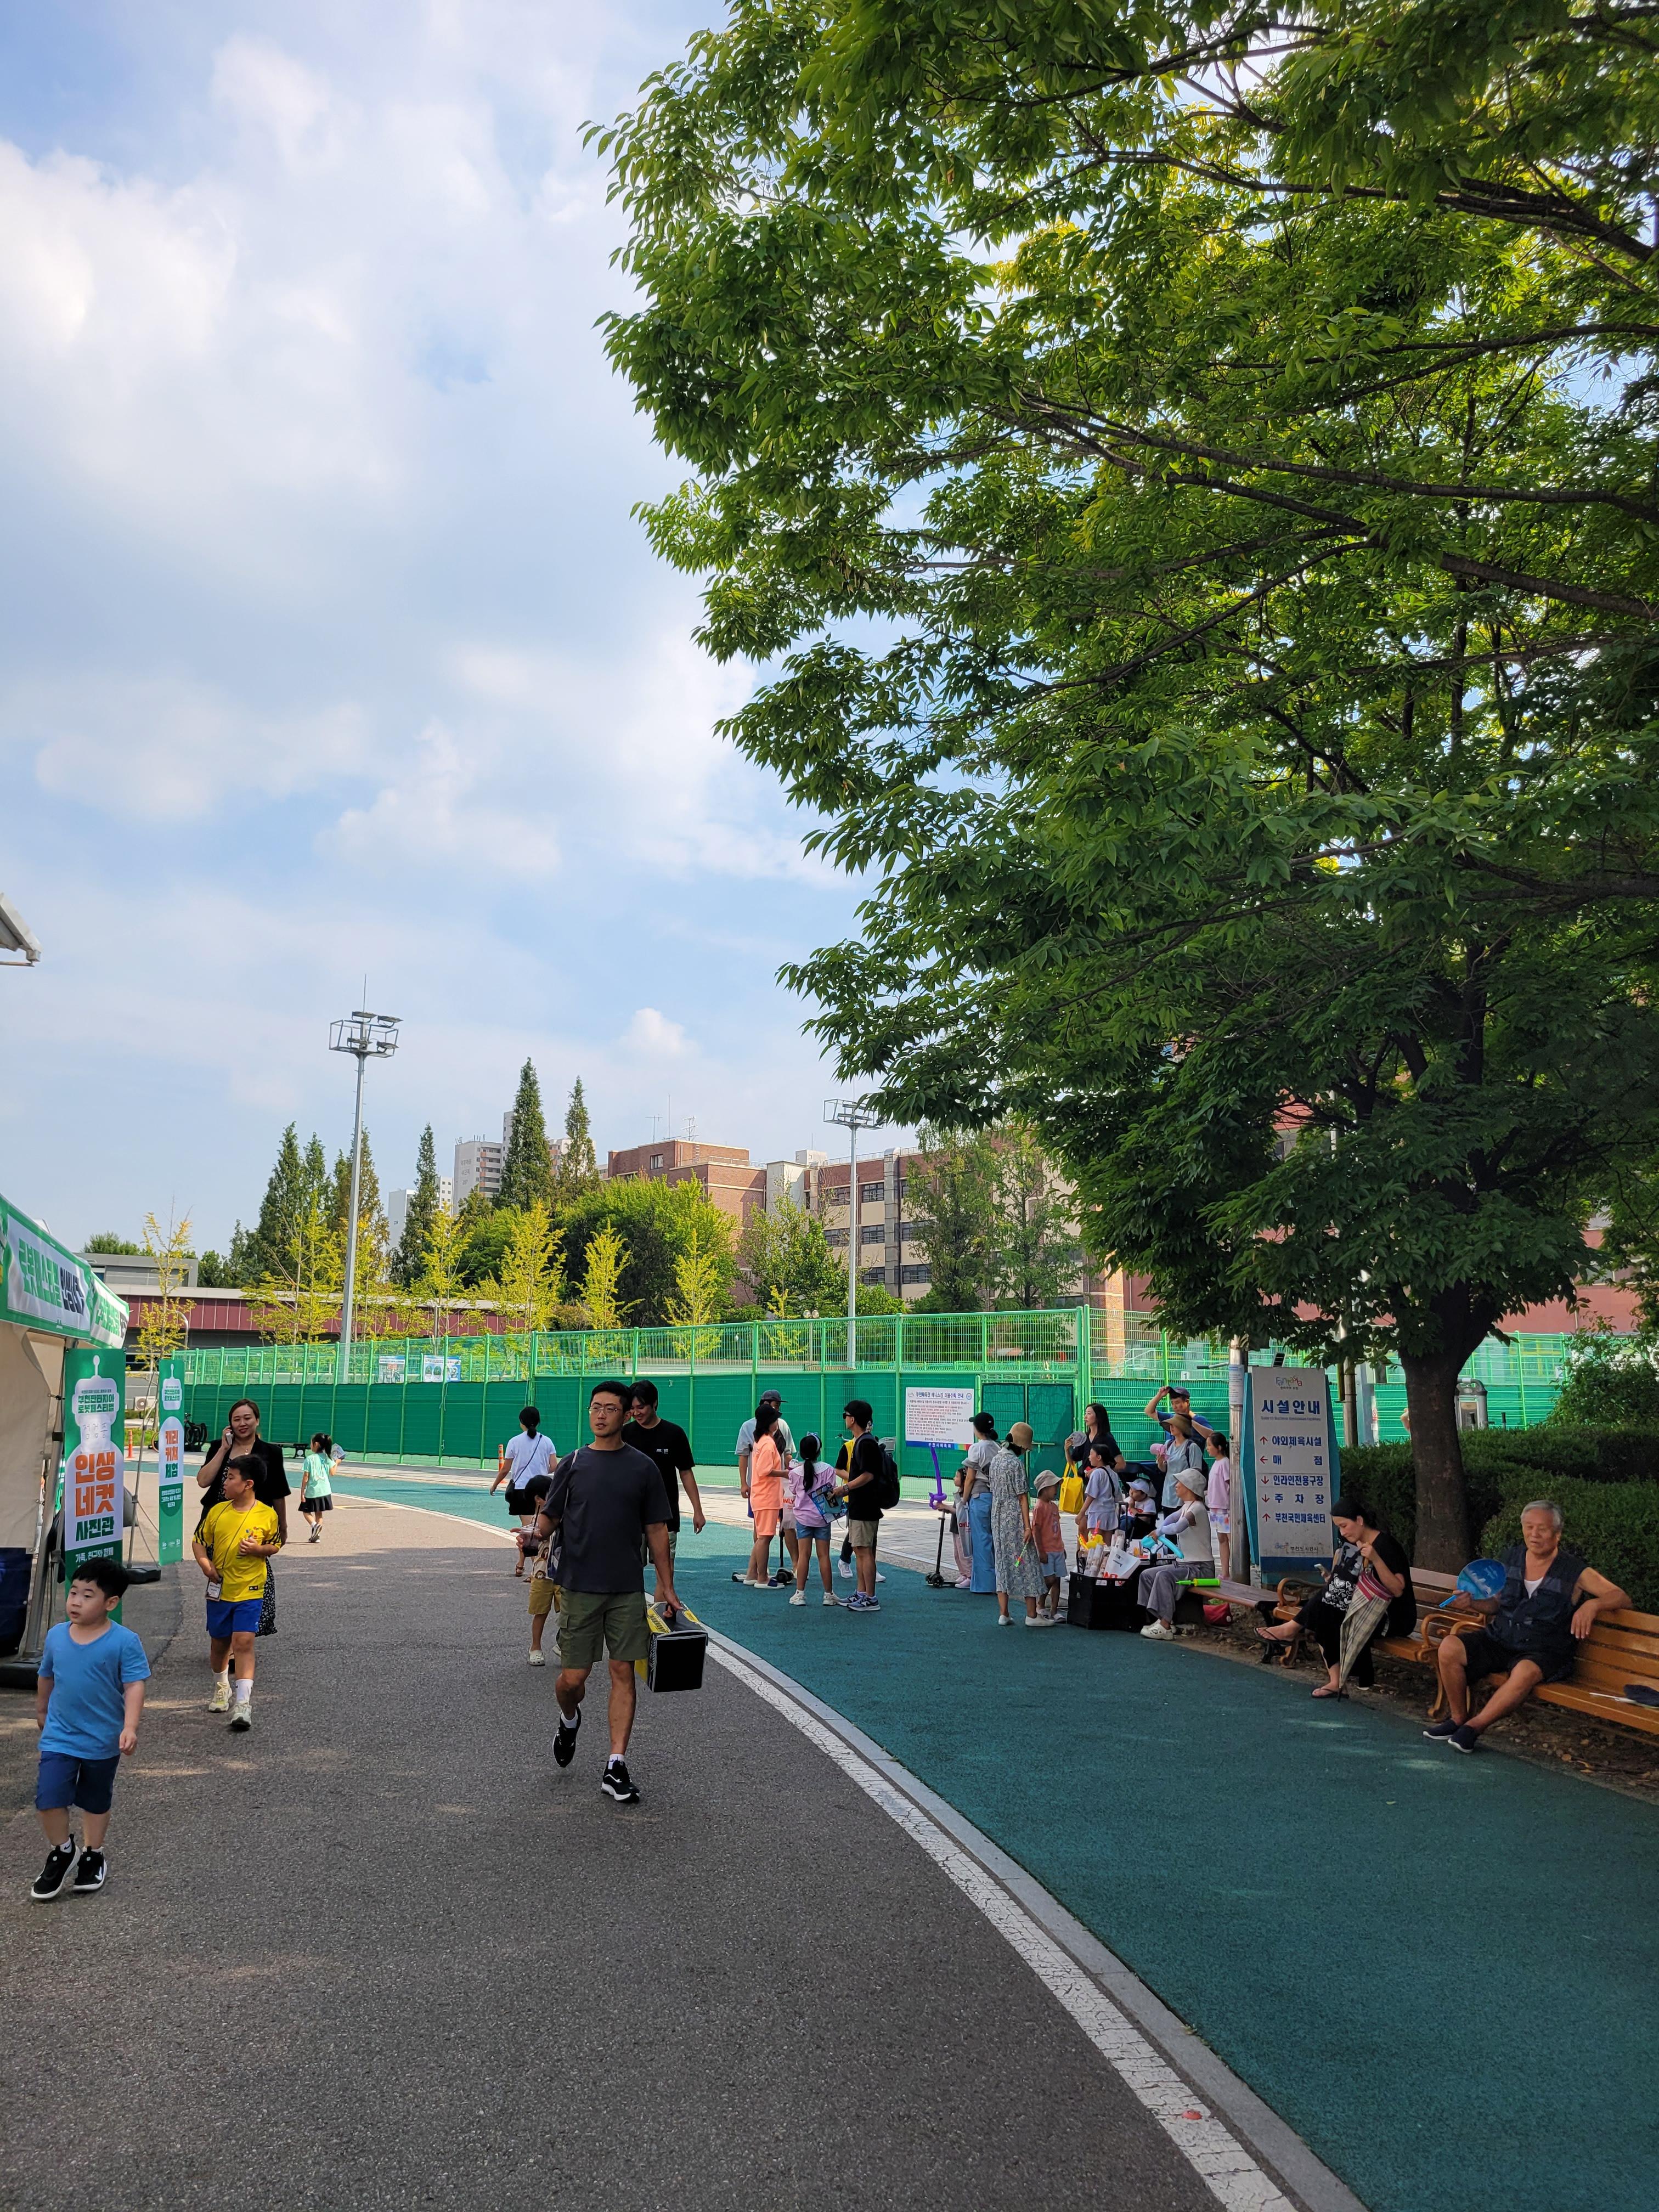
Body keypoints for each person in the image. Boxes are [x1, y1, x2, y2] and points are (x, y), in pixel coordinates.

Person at [533, 1380, 680, 1804]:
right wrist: (534, 1534)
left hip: (626, 1589)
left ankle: (616, 1765)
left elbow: (657, 1529)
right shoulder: (574, 1464)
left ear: (627, 1414)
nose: (600, 1415)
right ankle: (569, 1718)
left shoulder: (642, 1468)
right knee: (573, 1679)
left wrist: (667, 1587)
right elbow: (550, 1518)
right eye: (595, 1407)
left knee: (622, 1671)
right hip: (579, 1587)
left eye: (610, 1408)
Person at [1426, 1500, 1630, 1753]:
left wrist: (1593, 1605)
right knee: (1449, 1647)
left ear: (1557, 1534)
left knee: (1524, 1672)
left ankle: (1473, 1728)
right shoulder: (1510, 1559)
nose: (1534, 1535)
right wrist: (1473, 1603)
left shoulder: (1575, 1571)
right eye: (1529, 1527)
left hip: (1543, 1651)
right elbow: (1496, 1605)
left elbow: (1621, 1597)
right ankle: (1458, 1718)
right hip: (1501, 1639)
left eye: (1542, 1529)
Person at [30, 1556, 149, 1901]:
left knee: (95, 1800)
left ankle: (93, 1854)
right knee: (48, 1796)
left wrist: (130, 1726)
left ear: (111, 1603)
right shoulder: (56, 1635)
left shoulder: (124, 1641)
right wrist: (41, 1710)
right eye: (74, 1593)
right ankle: (63, 1851)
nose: (76, 1602)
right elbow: (46, 1675)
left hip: (102, 1738)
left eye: (87, 1595)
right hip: (60, 1735)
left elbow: (134, 1685)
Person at [1255, 1497, 1413, 1694]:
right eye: (1339, 1527)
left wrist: (1376, 1559)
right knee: (1326, 1608)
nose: (1343, 1532)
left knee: (1326, 1608)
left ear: (1360, 1520)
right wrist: (1334, 1579)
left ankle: (1292, 1631)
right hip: (1364, 1606)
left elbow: (1398, 1589)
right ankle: (1336, 1682)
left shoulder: (1386, 1546)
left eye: (1344, 1526)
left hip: (1393, 1617)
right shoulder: (1355, 1545)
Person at [192, 1455, 282, 1730]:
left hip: (251, 1589)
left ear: (248, 1484)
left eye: (230, 1478)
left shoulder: (267, 1515)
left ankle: (243, 1704)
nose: (225, 1482)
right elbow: (198, 1541)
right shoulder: (217, 1511)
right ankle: (222, 1687)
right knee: (220, 1644)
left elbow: (275, 1545)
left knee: (243, 1642)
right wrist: (206, 1565)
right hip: (220, 1591)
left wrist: (258, 1550)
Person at [196, 1398, 289, 1630]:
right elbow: (203, 1481)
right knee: (220, 1575)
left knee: (251, 1572)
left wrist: (283, 1526)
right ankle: (224, 1635)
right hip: (220, 1524)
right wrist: (223, 1449)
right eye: (236, 1419)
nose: (242, 1423)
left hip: (254, 1524)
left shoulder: (271, 1452)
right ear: (230, 1425)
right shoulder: (218, 1447)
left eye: (248, 1418)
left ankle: (243, 1634)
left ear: (257, 1420)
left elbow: (278, 1492)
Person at [623, 1381, 706, 1606]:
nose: (637, 1413)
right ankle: (634, 1618)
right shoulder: (624, 1434)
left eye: (641, 1407)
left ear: (655, 1404)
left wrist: (698, 1511)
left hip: (665, 1516)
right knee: (629, 1573)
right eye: (633, 1408)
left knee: (666, 1573)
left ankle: (659, 1618)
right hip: (631, 1517)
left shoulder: (674, 1434)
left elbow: (686, 1472)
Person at [1138, 1470, 1214, 1640]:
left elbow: (1178, 1527)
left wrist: (1159, 1532)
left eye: (1180, 1483)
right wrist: (1158, 1530)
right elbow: (1170, 1520)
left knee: (1164, 1577)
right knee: (1147, 1575)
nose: (1176, 1486)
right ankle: (1159, 1618)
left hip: (1200, 1568)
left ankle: (1165, 1625)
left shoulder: (1197, 1508)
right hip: (1185, 1565)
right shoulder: (1187, 1507)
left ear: (1189, 1487)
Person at [989, 1420, 1050, 1628]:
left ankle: (1004, 1613)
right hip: (1014, 1517)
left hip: (997, 1516)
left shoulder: (996, 1460)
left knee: (1002, 1562)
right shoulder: (1016, 1464)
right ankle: (1032, 1614)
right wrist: (1027, 1526)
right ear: (1022, 1446)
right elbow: (1023, 1497)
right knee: (1026, 1561)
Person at [834, 1399, 886, 1613]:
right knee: (859, 1549)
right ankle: (861, 1592)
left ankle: (871, 1598)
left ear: (853, 1419)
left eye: (846, 1415)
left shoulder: (865, 1443)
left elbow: (868, 1475)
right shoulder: (860, 1442)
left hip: (865, 1506)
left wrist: (845, 1488)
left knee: (865, 1552)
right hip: (859, 1505)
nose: (845, 1419)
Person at [492, 1406, 557, 1575]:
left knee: (529, 1532)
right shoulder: (547, 1441)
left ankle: (537, 1571)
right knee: (533, 1530)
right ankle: (520, 1565)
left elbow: (506, 1469)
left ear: (522, 1422)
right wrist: (540, 1471)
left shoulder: (514, 1442)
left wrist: (495, 1485)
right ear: (538, 1422)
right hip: (543, 1489)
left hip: (523, 1490)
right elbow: (554, 1466)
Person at [738, 1402, 789, 1588]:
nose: (778, 1422)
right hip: (767, 1496)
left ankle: (752, 1574)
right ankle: (762, 1578)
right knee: (765, 1537)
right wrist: (784, 1473)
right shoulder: (768, 1443)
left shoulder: (761, 1441)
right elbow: (765, 1470)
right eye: (775, 1419)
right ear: (769, 1422)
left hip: (761, 1495)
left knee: (762, 1537)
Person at [787, 1433, 840, 1605]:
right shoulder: (828, 1469)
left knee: (804, 1555)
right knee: (824, 1556)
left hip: (803, 1518)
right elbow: (832, 1490)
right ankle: (828, 1595)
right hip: (823, 1518)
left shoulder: (795, 1473)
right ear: (819, 1451)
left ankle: (800, 1594)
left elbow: (794, 1491)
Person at [956, 1410, 1000, 1594]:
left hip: (978, 1497)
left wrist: (963, 1500)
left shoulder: (976, 1448)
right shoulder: (997, 1447)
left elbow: (970, 1478)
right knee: (993, 1540)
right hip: (995, 1496)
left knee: (981, 1541)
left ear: (977, 1429)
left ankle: (984, 1584)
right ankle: (997, 1581)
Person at [1031, 1468, 1066, 1618]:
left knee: (1057, 1580)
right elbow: (1037, 1530)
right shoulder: (1039, 1507)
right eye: (1054, 1486)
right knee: (1049, 1579)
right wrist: (1041, 1551)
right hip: (1047, 1549)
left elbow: (1057, 1528)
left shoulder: (1054, 1507)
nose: (1056, 1490)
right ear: (1044, 1488)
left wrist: (1062, 1546)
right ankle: (1041, 1603)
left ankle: (1054, 1611)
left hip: (1057, 1548)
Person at [1153, 1409, 1205, 1511]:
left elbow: (1196, 1473)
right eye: (1170, 1425)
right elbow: (1164, 1470)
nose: (1171, 1427)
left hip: (1184, 1499)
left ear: (1182, 1427)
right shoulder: (1168, 1444)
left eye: (1174, 1425)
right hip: (1168, 1495)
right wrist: (1160, 1463)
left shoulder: (1192, 1447)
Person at [1079, 1438, 1126, 1545]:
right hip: (1110, 1513)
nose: (1089, 1457)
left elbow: (1091, 1496)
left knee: (1096, 1545)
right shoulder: (1113, 1473)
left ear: (1099, 1457)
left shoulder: (1097, 1473)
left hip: (1097, 1513)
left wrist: (1081, 1513)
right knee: (1106, 1546)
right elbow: (1118, 1497)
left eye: (1091, 1454)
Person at [1203, 1429, 1233, 1581]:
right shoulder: (1216, 1463)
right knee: (1222, 1539)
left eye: (1210, 1445)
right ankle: (1225, 1572)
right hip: (1215, 1508)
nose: (1207, 1448)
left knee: (1230, 1538)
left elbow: (1231, 1484)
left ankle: (1234, 1570)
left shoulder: (1225, 1463)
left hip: (1225, 1509)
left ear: (1219, 1447)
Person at [299, 1432, 335, 1542]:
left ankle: (314, 1525)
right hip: (325, 1490)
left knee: (306, 1511)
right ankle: (316, 1537)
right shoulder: (328, 1458)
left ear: (316, 1444)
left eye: (312, 1443)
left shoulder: (310, 1459)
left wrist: (302, 1492)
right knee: (319, 1514)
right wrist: (338, 1462)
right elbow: (332, 1473)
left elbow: (306, 1476)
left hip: (313, 1491)